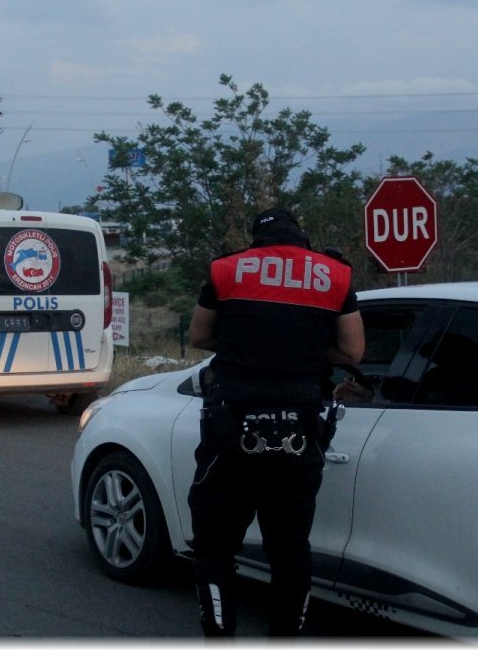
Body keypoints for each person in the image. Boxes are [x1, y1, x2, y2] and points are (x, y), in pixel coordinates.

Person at [186, 207, 365, 637]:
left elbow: (199, 336)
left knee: (214, 547)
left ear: (256, 240)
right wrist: (301, 354)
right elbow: (353, 351)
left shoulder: (226, 270)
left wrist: (248, 349)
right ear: (301, 238)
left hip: (231, 425)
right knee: (289, 551)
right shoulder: (335, 275)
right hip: (298, 428)